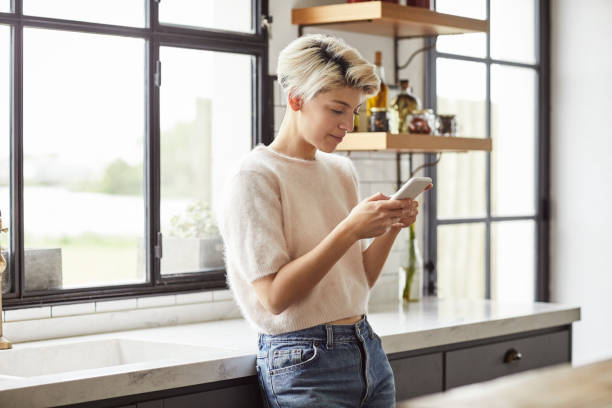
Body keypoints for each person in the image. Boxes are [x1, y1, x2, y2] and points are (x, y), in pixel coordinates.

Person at [218, 33, 429, 408]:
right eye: (337, 109)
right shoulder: (255, 177)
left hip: (367, 350)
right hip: (303, 360)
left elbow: (357, 280)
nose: (348, 123)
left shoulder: (341, 170)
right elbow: (275, 298)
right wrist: (349, 229)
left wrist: (390, 226)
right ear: (296, 99)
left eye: (354, 111)